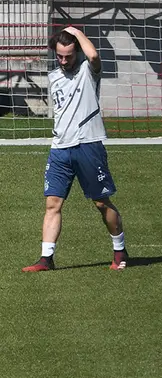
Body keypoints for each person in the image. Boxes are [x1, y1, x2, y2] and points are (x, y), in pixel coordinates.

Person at [22, 27, 128, 272]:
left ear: (76, 51)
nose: (63, 60)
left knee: (101, 203)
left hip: (88, 145)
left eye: (68, 55)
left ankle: (120, 250)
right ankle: (46, 259)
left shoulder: (88, 72)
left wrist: (77, 32)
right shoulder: (54, 76)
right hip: (60, 149)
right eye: (59, 56)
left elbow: (93, 56)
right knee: (52, 203)